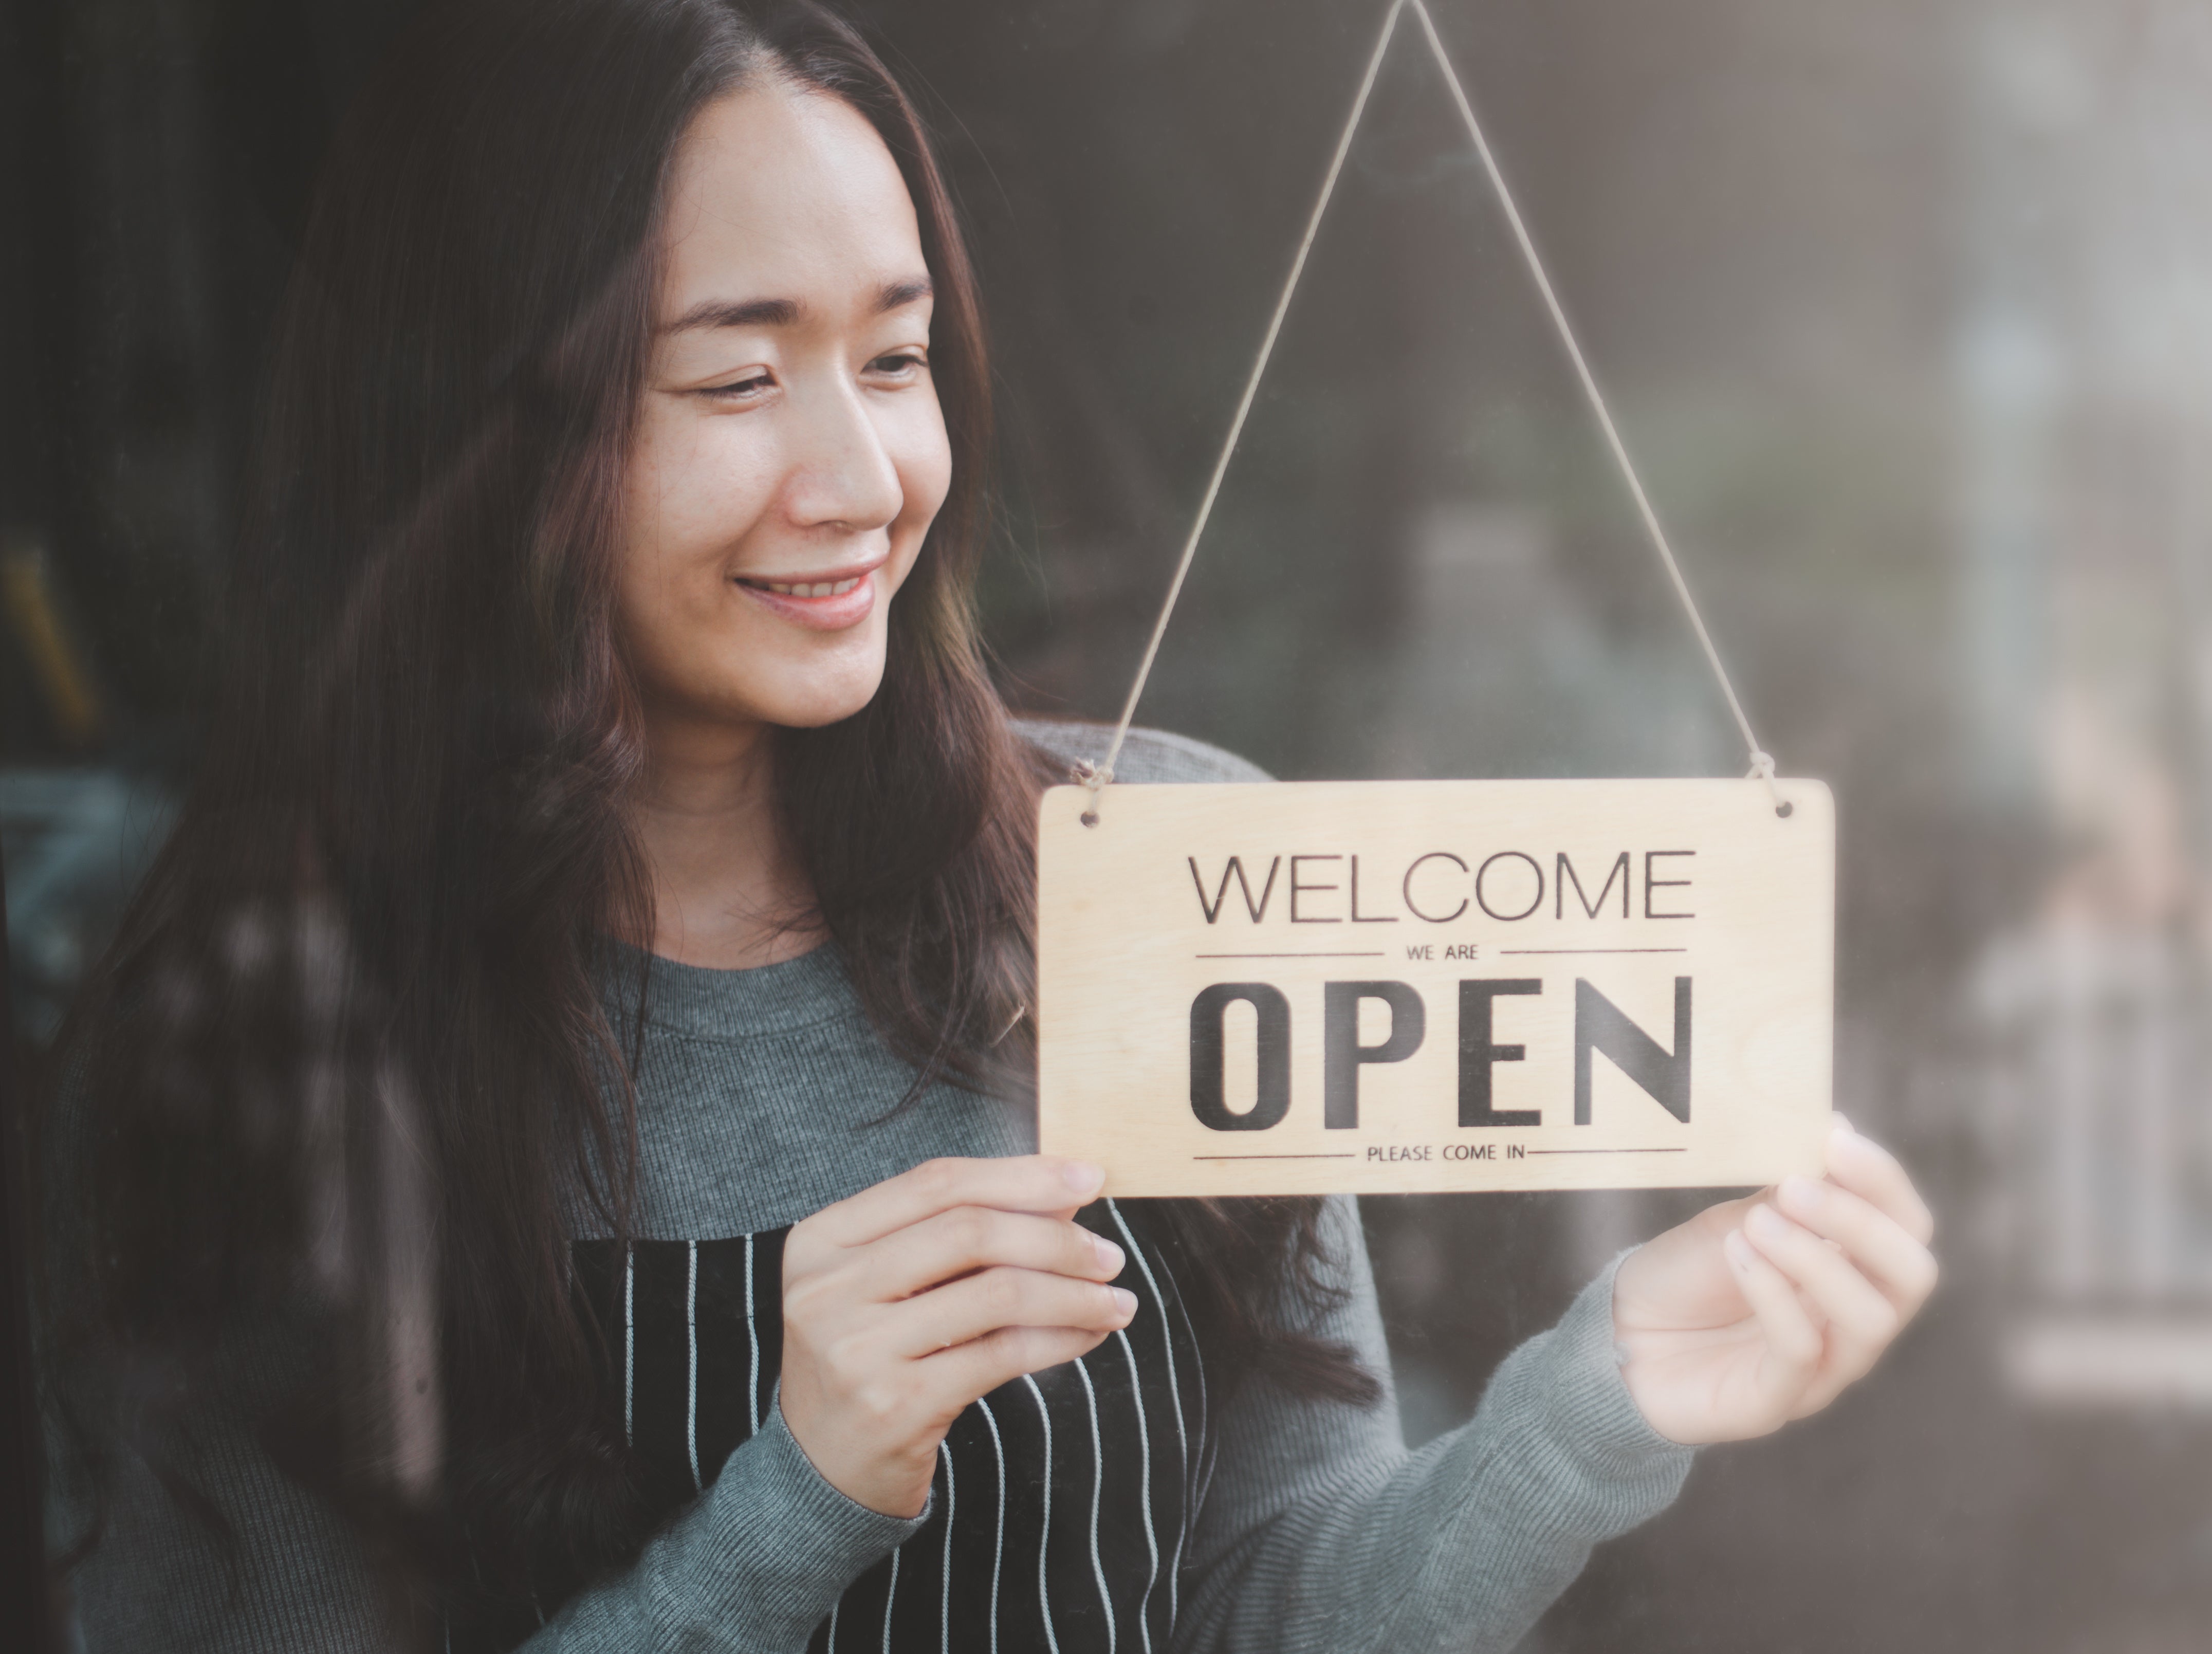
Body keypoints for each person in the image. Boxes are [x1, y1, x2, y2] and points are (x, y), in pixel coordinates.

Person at [31, 2, 1938, 1649]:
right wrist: (805, 1488)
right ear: (485, 450)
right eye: (733, 374)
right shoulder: (265, 1047)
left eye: (893, 354)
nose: (865, 478)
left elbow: (1273, 1609)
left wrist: (1599, 1404)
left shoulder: (1165, 866)